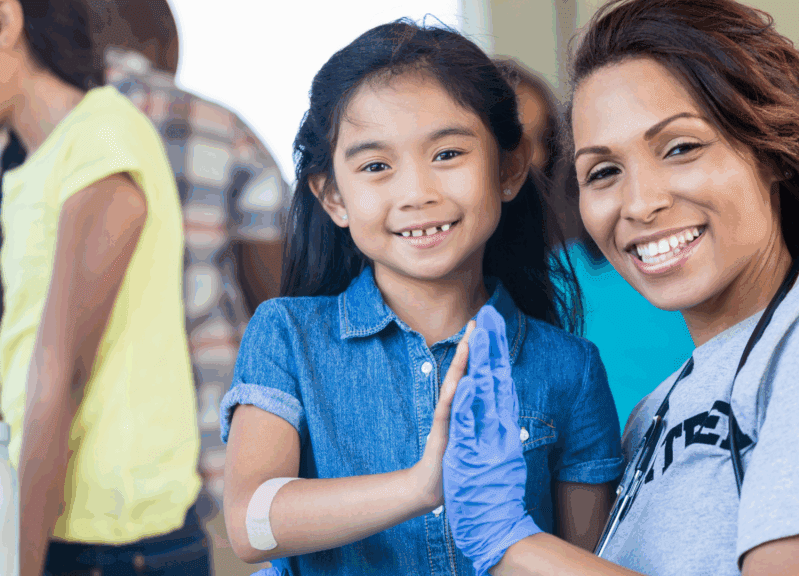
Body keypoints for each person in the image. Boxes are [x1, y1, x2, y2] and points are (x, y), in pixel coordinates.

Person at [439, 0, 799, 574]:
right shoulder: (655, 415)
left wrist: (514, 543)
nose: (640, 203)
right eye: (603, 171)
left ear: (772, 151)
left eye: (681, 148)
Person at [219, 20, 624, 575]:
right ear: (333, 196)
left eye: (448, 154)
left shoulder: (570, 369)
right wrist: (421, 486)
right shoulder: (288, 335)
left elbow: (579, 563)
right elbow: (250, 524)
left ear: (508, 168)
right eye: (376, 166)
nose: (417, 194)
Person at [0, 1, 205, 575]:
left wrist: (21, 564)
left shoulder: (101, 139)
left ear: (4, 21)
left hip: (117, 549)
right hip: (73, 535)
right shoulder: (33, 164)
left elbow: (56, 375)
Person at [89, 0, 290, 515]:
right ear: (165, 47)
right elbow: (281, 301)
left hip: (90, 457)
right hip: (213, 444)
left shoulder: (48, 131)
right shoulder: (225, 129)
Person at [495, 57, 697, 428]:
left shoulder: (602, 263)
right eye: (605, 170)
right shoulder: (541, 288)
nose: (530, 159)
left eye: (682, 148)